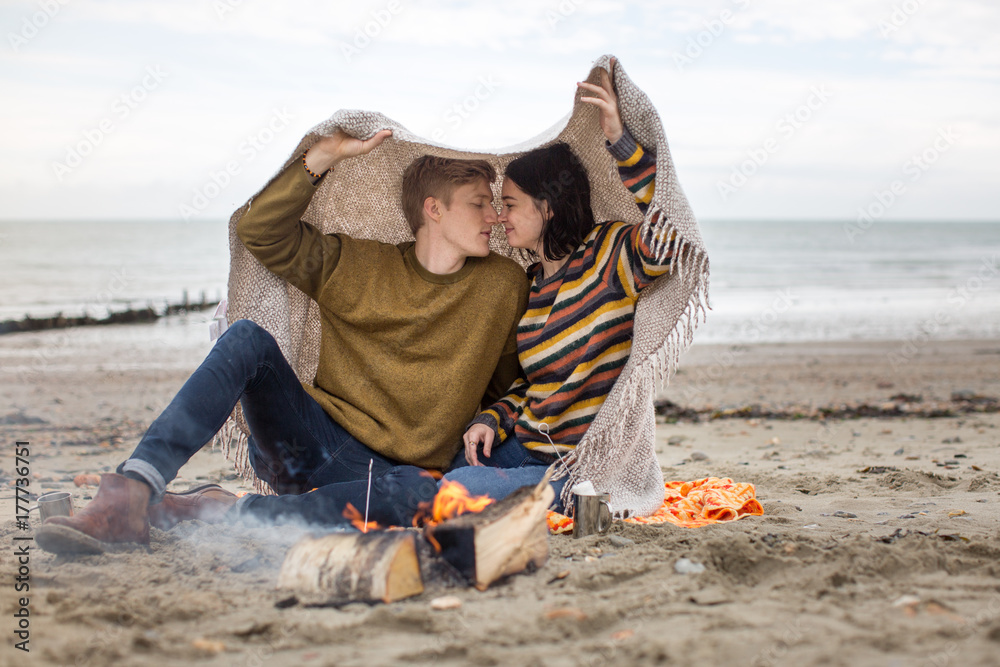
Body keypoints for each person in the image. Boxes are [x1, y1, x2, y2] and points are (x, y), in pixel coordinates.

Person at [37, 129, 530, 554]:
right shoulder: (357, 265)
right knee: (246, 339)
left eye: (493, 204)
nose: (494, 216)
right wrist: (323, 157)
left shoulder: (504, 286)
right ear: (434, 209)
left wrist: (492, 419)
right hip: (311, 442)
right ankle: (132, 491)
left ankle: (218, 510)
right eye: (479, 203)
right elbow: (260, 231)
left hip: (393, 478)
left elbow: (508, 388)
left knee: (423, 493)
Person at [445, 58, 675, 511]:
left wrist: (621, 142)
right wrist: (492, 419)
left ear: (547, 207)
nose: (500, 217)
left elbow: (667, 236)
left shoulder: (606, 254)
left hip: (581, 465)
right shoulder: (532, 286)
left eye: (511, 204)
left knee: (456, 492)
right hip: (527, 445)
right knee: (448, 473)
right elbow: (534, 384)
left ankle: (561, 497)